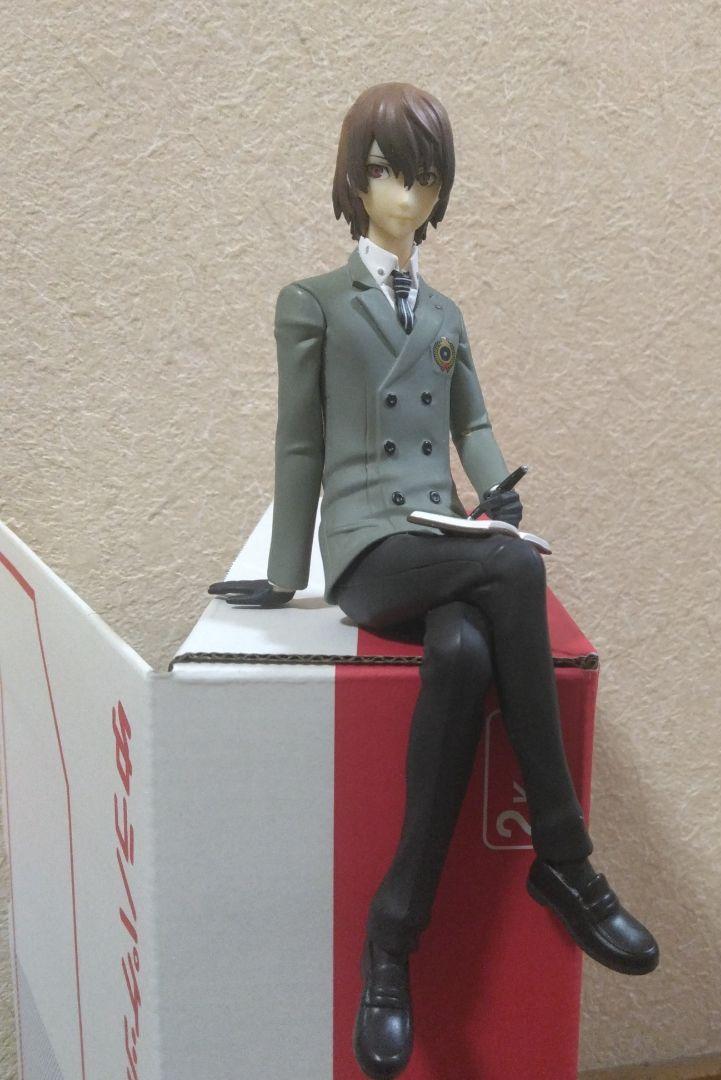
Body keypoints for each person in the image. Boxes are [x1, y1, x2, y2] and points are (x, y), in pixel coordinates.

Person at [208, 82, 658, 1080]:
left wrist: (496, 491)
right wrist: (284, 576)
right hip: (370, 551)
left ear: (441, 189)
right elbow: (298, 443)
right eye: (384, 171)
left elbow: (472, 422)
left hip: (441, 537)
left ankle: (391, 938)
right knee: (510, 567)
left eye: (423, 176)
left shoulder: (447, 314)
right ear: (352, 180)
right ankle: (566, 859)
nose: (404, 194)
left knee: (462, 650)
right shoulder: (313, 303)